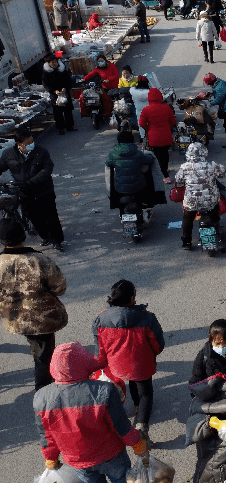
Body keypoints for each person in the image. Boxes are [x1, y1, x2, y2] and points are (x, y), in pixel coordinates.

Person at [34, 342, 148, 483]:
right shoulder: (105, 390)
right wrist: (136, 443)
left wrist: (50, 457)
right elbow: (120, 426)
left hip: (79, 462)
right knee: (122, 479)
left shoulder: (41, 398)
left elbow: (46, 435)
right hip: (111, 455)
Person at [92, 280, 164, 441]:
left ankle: (135, 406)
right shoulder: (147, 318)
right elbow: (158, 344)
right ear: (132, 297)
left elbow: (100, 348)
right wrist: (155, 353)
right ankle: (141, 425)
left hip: (117, 364)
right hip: (142, 364)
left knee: (131, 379)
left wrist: (101, 362)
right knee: (145, 393)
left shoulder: (101, 318)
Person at [0, 219, 67, 390]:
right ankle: (44, 394)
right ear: (23, 238)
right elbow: (60, 287)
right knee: (43, 359)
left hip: (14, 320)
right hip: (42, 321)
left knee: (39, 352)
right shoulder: (40, 260)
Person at [0, 128, 65, 251]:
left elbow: (47, 170)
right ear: (19, 144)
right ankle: (44, 236)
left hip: (44, 191)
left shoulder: (41, 152)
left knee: (51, 217)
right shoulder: (8, 154)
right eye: (28, 143)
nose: (31, 145)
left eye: (32, 141)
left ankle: (57, 240)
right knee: (35, 217)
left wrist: (30, 182)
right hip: (25, 194)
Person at [175, 142, 225, 250]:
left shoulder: (184, 167)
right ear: (204, 152)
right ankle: (216, 229)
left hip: (192, 202)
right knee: (215, 211)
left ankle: (186, 242)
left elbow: (178, 180)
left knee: (187, 218)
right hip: (210, 201)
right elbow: (222, 172)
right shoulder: (211, 165)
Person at [105, 131, 164, 214]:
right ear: (132, 140)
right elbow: (148, 160)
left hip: (119, 188)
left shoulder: (113, 155)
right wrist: (150, 155)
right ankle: (147, 204)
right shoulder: (138, 154)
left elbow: (108, 164)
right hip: (138, 186)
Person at [138, 87, 177, 183]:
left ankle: (165, 175)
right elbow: (173, 121)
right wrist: (169, 127)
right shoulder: (166, 107)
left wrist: (148, 129)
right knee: (165, 153)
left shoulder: (146, 109)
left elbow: (141, 123)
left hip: (153, 137)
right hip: (166, 135)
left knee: (158, 155)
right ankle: (165, 168)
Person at [41, 54, 76, 135]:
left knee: (68, 110)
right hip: (55, 95)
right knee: (58, 112)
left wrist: (65, 88)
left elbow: (69, 80)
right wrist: (54, 91)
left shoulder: (63, 69)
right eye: (52, 62)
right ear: (49, 63)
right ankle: (61, 128)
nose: (54, 64)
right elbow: (45, 84)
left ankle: (70, 126)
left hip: (64, 92)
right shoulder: (46, 73)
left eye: (55, 62)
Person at [82, 54, 119, 119]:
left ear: (105, 60)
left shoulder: (111, 66)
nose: (100, 62)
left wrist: (109, 79)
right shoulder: (98, 68)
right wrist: (84, 79)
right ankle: (106, 112)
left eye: (101, 60)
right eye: (99, 61)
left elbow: (116, 75)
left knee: (114, 101)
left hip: (114, 86)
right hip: (105, 87)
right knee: (105, 99)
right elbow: (91, 74)